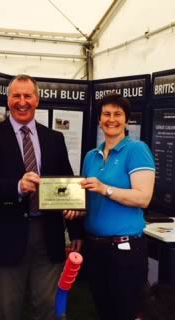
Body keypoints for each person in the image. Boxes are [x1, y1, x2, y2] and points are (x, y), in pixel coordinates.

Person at [0, 74, 83, 320]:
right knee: (8, 308)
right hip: (6, 233)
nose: (22, 102)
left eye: (27, 96)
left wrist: (75, 229)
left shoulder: (55, 138)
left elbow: (66, 181)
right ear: (8, 100)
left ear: (37, 99)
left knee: (47, 306)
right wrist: (17, 186)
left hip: (49, 233)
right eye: (16, 96)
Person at [79, 94, 155, 320]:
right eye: (106, 114)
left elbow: (143, 198)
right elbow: (87, 199)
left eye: (118, 114)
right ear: (99, 120)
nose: (111, 119)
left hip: (125, 251)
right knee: (104, 309)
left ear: (127, 120)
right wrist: (75, 208)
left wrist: (105, 189)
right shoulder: (91, 156)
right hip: (95, 248)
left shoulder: (137, 150)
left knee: (126, 311)